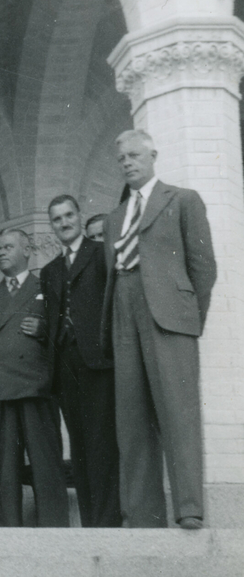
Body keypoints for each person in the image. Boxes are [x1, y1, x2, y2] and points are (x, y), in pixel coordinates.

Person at [101, 129, 216, 529]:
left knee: (177, 411)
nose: (128, 162)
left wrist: (188, 318)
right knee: (131, 418)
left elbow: (203, 266)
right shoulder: (115, 218)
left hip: (169, 316)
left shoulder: (182, 199)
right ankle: (143, 513)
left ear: (152, 155)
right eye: (122, 158)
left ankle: (188, 507)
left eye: (135, 155)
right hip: (124, 311)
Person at [0, 229, 68, 527]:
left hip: (38, 392)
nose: (1, 252)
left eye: (8, 247)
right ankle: (9, 534)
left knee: (46, 468)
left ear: (26, 250)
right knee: (7, 472)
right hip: (1, 394)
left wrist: (44, 330)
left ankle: (56, 535)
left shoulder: (46, 287)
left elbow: (63, 337)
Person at [40, 195, 120, 527]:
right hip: (65, 364)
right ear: (52, 226)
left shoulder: (101, 254)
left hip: (98, 362)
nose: (64, 222)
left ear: (79, 216)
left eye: (69, 215)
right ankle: (90, 524)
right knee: (80, 444)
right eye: (57, 219)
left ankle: (107, 523)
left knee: (101, 442)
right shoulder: (50, 270)